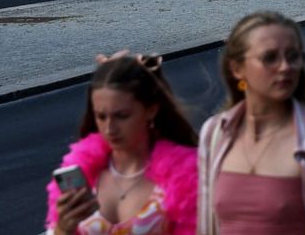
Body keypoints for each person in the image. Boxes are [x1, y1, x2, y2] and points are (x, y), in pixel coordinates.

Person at [198, 11, 305, 234]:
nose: (285, 67)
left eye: (293, 56)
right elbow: (207, 224)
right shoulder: (215, 132)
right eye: (270, 57)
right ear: (236, 68)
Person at [45, 54, 198, 235]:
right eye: (101, 117)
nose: (110, 129)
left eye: (122, 116)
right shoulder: (83, 172)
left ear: (151, 110)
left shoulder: (185, 175)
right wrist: (62, 229)